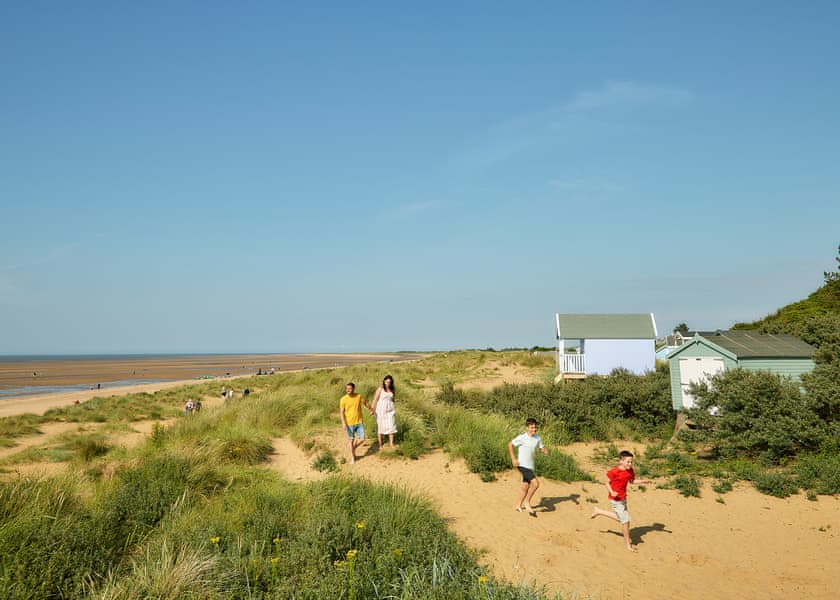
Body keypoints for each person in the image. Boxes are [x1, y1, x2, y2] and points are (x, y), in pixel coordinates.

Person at [590, 450, 652, 552]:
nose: (630, 464)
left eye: (631, 462)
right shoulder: (615, 471)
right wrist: (611, 491)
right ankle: (628, 544)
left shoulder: (630, 471)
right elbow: (606, 483)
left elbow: (632, 481)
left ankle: (599, 511)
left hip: (623, 498)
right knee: (625, 521)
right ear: (621, 461)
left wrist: (643, 481)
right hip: (615, 499)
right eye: (628, 462)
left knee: (621, 518)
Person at [508, 418, 549, 514]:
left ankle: (518, 505)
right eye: (531, 427)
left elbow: (541, 447)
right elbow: (510, 444)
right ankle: (527, 502)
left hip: (530, 466)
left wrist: (545, 451)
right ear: (527, 428)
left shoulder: (537, 438)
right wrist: (513, 459)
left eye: (535, 427)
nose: (534, 429)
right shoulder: (522, 437)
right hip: (522, 465)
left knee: (526, 487)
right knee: (535, 484)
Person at [339, 382, 373, 464]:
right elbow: (341, 412)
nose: (348, 390)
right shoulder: (343, 399)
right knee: (351, 440)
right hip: (349, 423)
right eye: (347, 389)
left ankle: (353, 448)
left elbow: (365, 403)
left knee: (362, 439)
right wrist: (343, 423)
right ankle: (353, 458)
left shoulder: (358, 396)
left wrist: (371, 409)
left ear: (353, 389)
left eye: (350, 388)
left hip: (359, 422)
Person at [371, 374, 397, 449]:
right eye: (386, 382)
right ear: (384, 381)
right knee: (381, 427)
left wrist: (393, 407)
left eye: (389, 382)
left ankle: (392, 444)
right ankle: (380, 445)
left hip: (390, 410)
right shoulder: (380, 389)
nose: (387, 383)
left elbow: (393, 399)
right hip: (381, 410)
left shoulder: (392, 389)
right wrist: (372, 409)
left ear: (391, 383)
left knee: (391, 426)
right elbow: (375, 399)